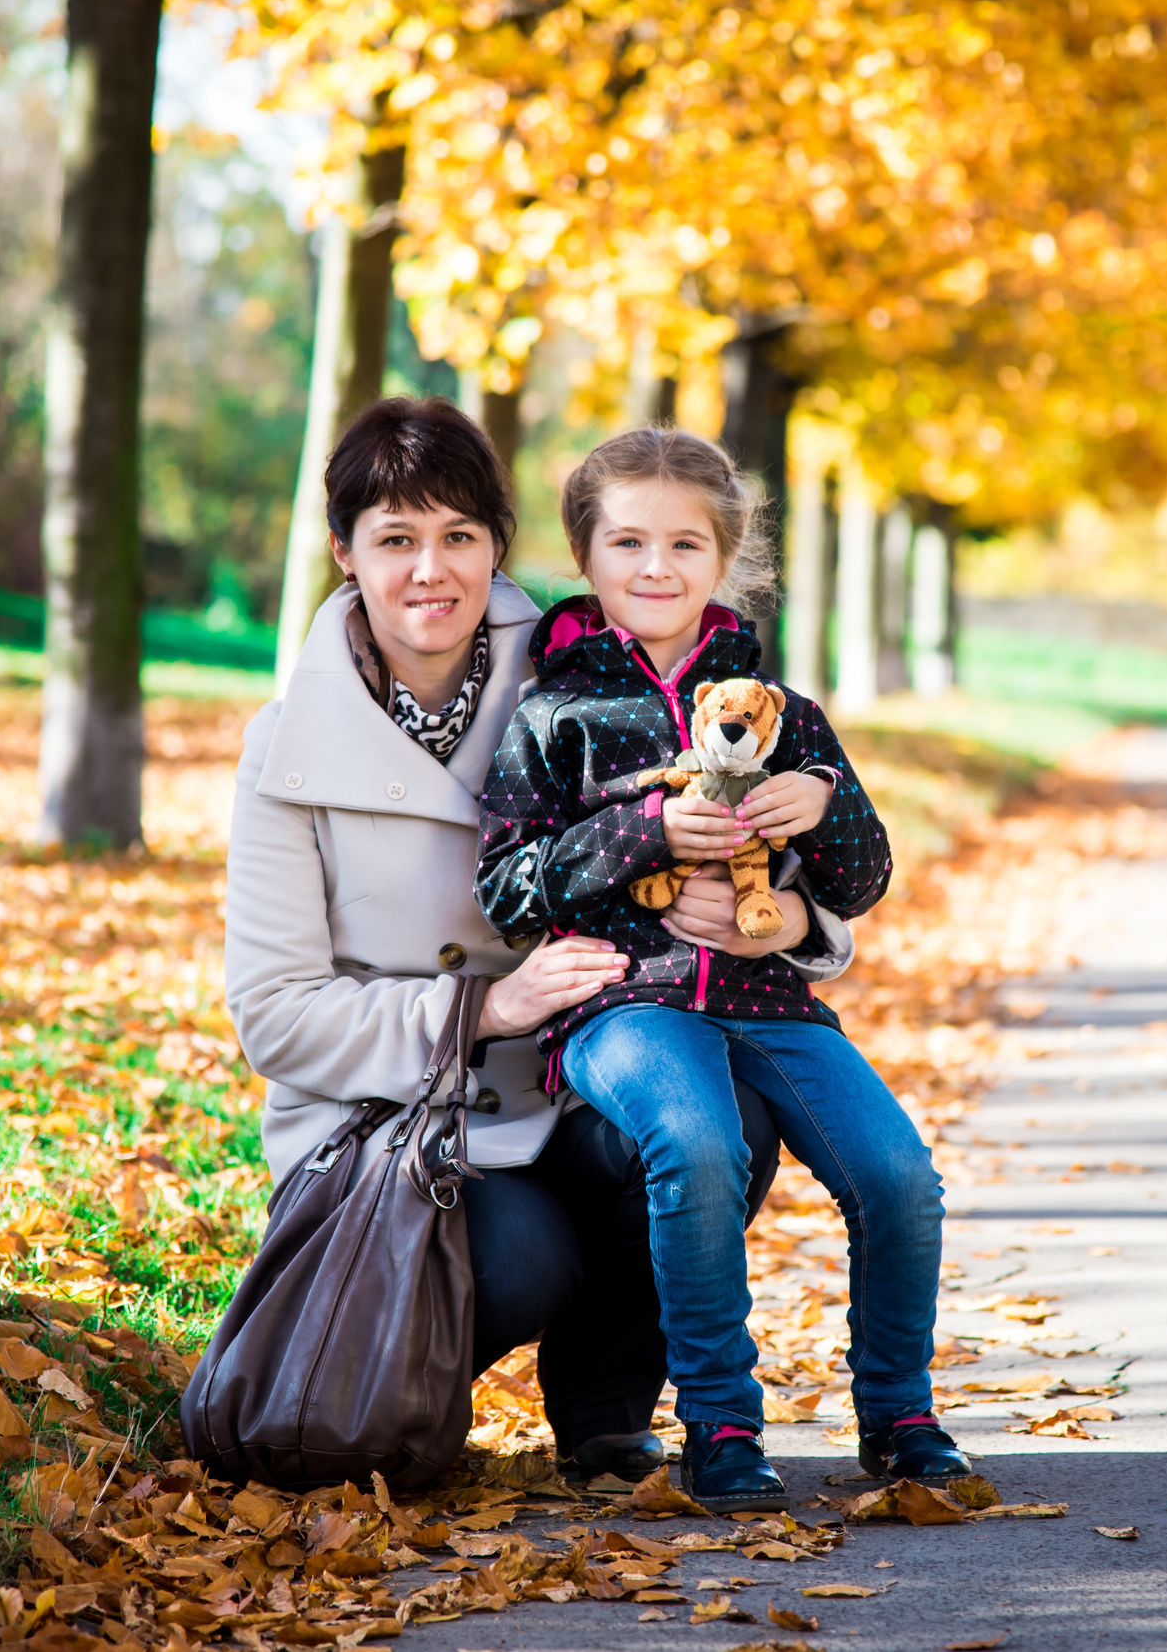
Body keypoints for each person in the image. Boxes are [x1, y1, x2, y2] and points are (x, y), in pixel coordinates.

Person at [222, 398, 853, 1484]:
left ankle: (606, 1413)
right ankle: (398, 1370)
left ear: (495, 546)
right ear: (344, 553)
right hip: (398, 1119)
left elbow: (739, 804)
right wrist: (486, 1007)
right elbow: (275, 1011)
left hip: (585, 1067)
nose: (432, 571)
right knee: (525, 1255)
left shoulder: (584, 671)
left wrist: (796, 922)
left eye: (459, 536)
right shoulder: (290, 745)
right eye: (395, 539)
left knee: (721, 1122)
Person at [474, 427, 964, 1514]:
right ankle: (720, 1423)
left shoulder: (780, 712)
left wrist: (823, 818)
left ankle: (899, 1415)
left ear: (726, 560)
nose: (656, 566)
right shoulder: (556, 711)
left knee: (899, 1177)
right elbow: (507, 886)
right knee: (696, 1142)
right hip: (623, 1002)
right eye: (628, 541)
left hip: (768, 1000)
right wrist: (651, 829)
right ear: (587, 556)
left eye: (685, 543)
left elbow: (866, 875)